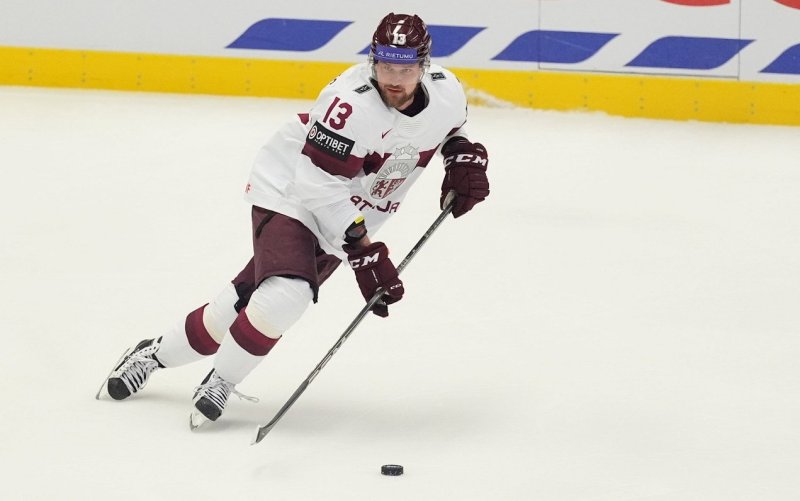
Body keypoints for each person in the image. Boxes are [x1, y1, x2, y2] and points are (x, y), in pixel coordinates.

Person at [101, 12, 490, 428]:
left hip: (348, 211)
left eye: (406, 68)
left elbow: (448, 128)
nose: (394, 79)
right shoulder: (351, 105)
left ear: (424, 66)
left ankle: (152, 354)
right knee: (287, 295)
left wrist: (459, 155)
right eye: (385, 66)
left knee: (241, 304)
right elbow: (315, 183)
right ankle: (222, 380)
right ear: (373, 60)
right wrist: (362, 249)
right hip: (292, 189)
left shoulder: (447, 92)